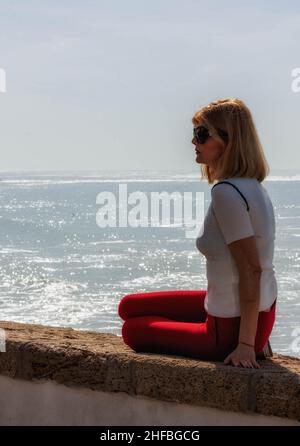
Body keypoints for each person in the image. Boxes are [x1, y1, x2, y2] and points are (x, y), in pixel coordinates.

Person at [118, 98, 277, 369]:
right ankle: (255, 336)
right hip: (254, 313)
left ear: (228, 141)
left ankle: (250, 339)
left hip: (226, 330)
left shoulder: (226, 193)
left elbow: (252, 269)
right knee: (128, 307)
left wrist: (246, 346)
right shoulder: (254, 186)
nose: (194, 141)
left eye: (201, 134)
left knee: (133, 330)